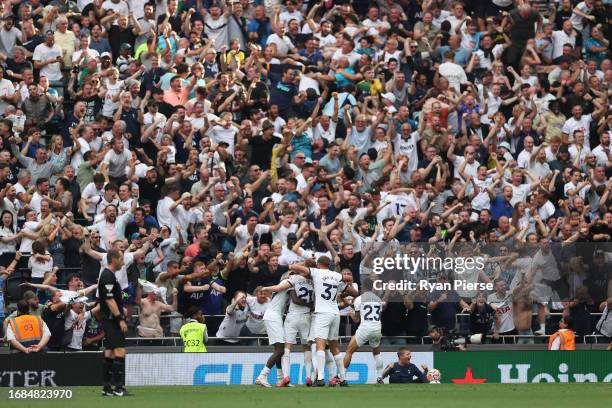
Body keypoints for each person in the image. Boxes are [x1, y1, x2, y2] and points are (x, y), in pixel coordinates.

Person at [289, 257, 351, 387]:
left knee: (320, 346)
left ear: (318, 264)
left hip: (322, 313)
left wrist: (305, 262)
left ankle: (320, 378)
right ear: (329, 265)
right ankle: (343, 379)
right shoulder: (336, 275)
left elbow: (292, 267)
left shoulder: (316, 272)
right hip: (335, 313)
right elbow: (348, 289)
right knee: (334, 346)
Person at [98, 249, 129, 397]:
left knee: (110, 352)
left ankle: (106, 388)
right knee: (120, 350)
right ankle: (118, 388)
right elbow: (109, 300)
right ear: (113, 259)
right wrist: (120, 319)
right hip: (111, 320)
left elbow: (113, 298)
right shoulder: (107, 276)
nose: (123, 261)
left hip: (109, 319)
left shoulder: (109, 275)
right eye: (121, 258)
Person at [343, 278, 385, 384]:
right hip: (376, 328)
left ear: (363, 287)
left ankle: (341, 377)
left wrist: (352, 314)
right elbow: (379, 316)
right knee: (376, 352)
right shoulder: (378, 299)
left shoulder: (359, 299)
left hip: (365, 328)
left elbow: (357, 319)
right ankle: (380, 378)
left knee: (349, 351)